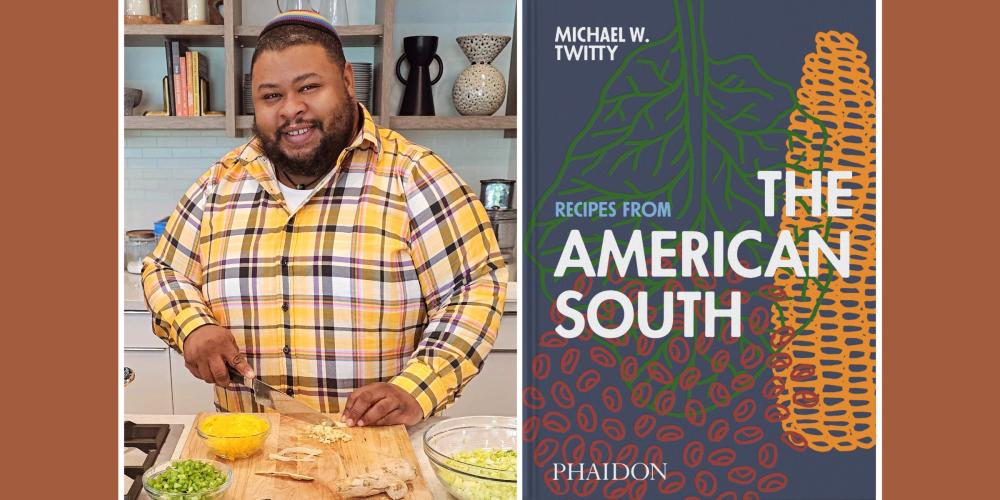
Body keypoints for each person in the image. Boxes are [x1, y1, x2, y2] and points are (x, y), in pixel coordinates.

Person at [142, 10, 508, 427]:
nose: (291, 110)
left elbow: (474, 288)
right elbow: (165, 269)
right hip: (249, 453)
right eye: (271, 96)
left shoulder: (416, 176)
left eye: (309, 87)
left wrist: (417, 387)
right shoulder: (221, 183)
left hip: (375, 458)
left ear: (348, 82)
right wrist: (192, 326)